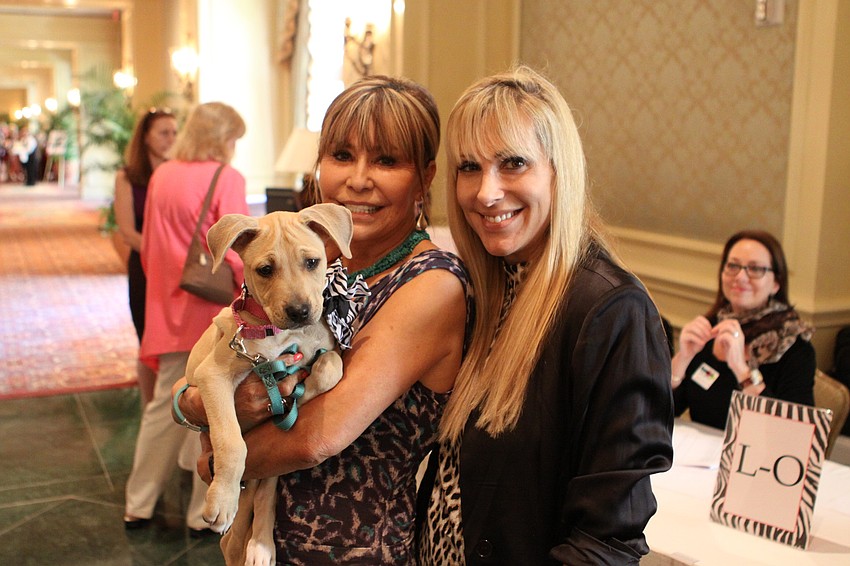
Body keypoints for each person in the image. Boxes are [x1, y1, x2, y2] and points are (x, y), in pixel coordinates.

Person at [174, 76, 472, 564]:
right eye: (341, 155)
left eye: (386, 160)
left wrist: (215, 461)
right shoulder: (315, 263)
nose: (358, 178)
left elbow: (316, 438)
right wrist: (190, 403)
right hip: (266, 540)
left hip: (351, 546)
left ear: (425, 175)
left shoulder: (432, 285)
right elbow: (219, 361)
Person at [418, 66, 674, 565]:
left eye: (513, 163)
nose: (486, 192)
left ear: (559, 171)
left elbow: (607, 540)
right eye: (469, 167)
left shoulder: (611, 312)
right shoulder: (480, 290)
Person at [124, 102, 249, 535]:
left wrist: (159, 293)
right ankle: (204, 513)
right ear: (220, 138)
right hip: (211, 307)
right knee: (217, 405)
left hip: (165, 299)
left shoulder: (164, 173)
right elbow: (237, 248)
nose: (234, 148)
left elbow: (151, 245)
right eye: (233, 138)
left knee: (164, 404)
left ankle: (138, 502)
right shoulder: (226, 178)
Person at [671, 230, 815, 430]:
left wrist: (742, 370)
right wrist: (682, 360)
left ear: (776, 283)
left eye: (755, 269)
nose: (740, 276)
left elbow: (794, 433)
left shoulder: (793, 345)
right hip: (702, 458)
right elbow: (663, 411)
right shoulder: (710, 330)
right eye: (733, 266)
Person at [113, 108, 178, 406]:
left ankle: (173, 405)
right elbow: (126, 230)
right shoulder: (128, 177)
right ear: (146, 137)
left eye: (175, 132)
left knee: (174, 340)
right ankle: (149, 406)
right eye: (164, 132)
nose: (171, 138)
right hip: (145, 266)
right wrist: (160, 253)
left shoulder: (177, 172)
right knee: (147, 338)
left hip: (174, 268)